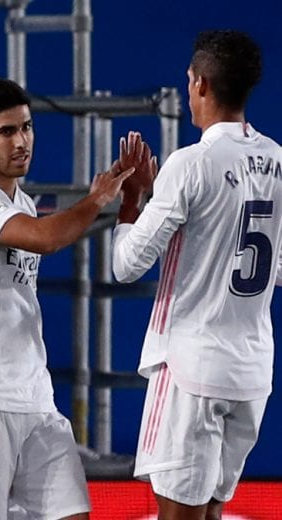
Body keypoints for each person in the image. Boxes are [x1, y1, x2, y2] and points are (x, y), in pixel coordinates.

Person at [0, 77, 135, 519]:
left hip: (34, 398)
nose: (22, 141)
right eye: (7, 131)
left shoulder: (19, 198)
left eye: (27, 127)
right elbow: (44, 238)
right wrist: (97, 198)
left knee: (73, 513)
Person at [112, 30, 281, 520]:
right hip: (252, 371)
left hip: (193, 368)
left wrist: (130, 204)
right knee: (210, 514)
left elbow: (126, 266)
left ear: (202, 84)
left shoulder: (190, 164)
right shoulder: (278, 160)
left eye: (189, 81)